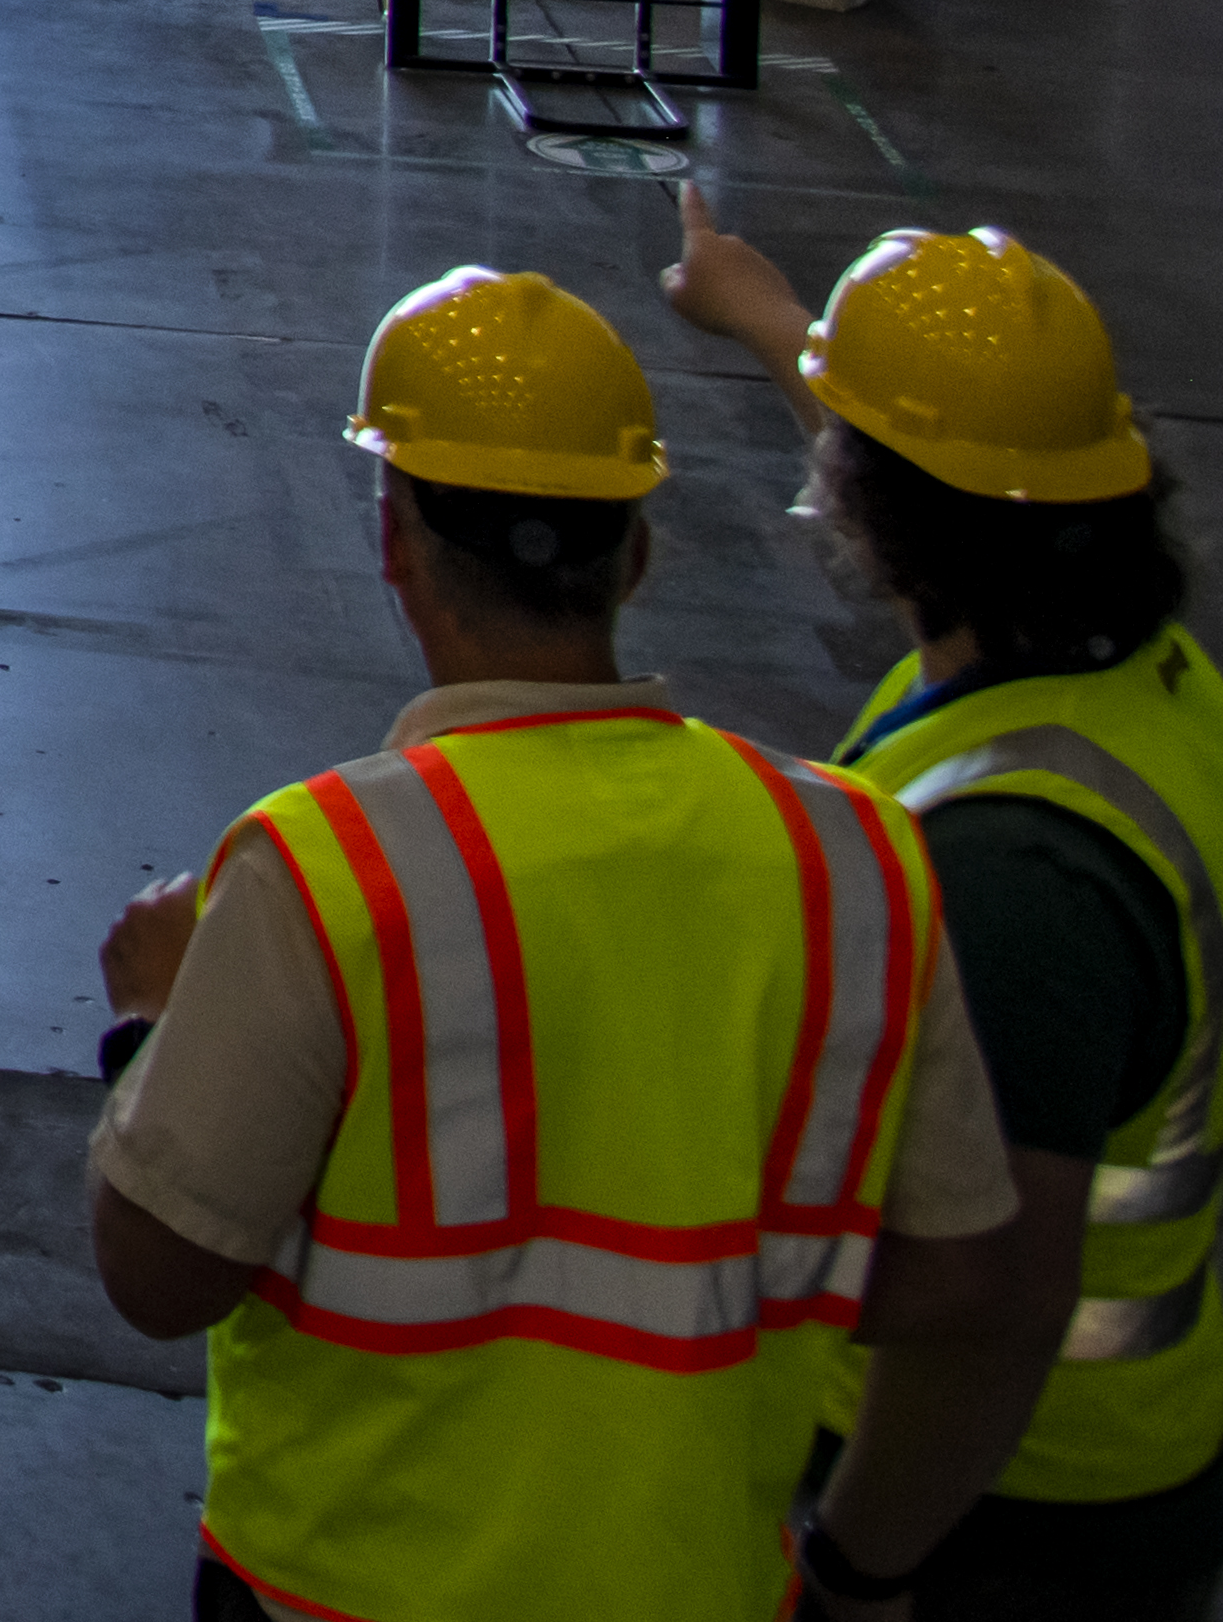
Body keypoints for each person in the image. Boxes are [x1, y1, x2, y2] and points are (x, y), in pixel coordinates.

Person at [90, 263, 1060, 1622]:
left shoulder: (326, 868)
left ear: (394, 542)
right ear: (637, 553)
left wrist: (148, 1026)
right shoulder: (853, 855)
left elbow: (157, 1274)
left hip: (345, 1590)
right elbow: (961, 1271)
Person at [664, 203, 1223, 1618]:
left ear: (871, 508)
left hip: (1000, 1508)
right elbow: (957, 453)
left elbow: (997, 1308)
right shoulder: (1141, 685)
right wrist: (765, 314)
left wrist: (854, 1571)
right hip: (1133, 1457)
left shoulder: (1014, 874)